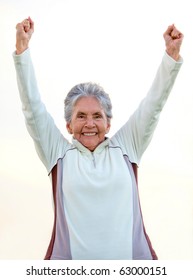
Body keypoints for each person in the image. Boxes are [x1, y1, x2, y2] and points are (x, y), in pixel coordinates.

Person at [13, 17, 183, 260]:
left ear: (108, 122)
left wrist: (171, 56)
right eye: (81, 116)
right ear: (69, 125)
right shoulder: (58, 154)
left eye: (97, 116)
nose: (89, 124)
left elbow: (153, 105)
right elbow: (32, 108)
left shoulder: (127, 146)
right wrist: (22, 50)